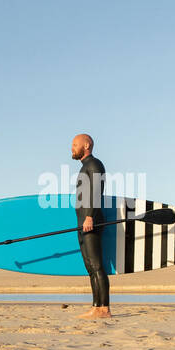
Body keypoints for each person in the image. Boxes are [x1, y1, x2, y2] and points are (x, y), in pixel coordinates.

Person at [71, 133, 110, 320]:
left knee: (96, 265)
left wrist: (89, 216)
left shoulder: (95, 164)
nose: (72, 147)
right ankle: (96, 307)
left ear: (86, 145)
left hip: (90, 221)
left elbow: (96, 191)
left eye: (75, 144)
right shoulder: (84, 167)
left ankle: (105, 308)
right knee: (89, 266)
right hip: (83, 223)